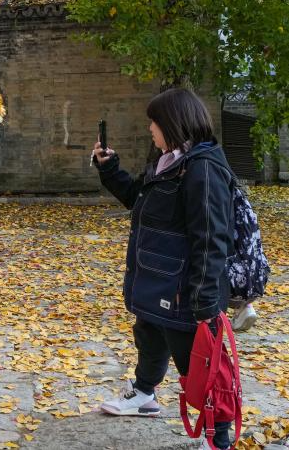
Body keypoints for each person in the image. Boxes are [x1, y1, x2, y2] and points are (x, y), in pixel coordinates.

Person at [93, 88, 235, 450]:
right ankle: (143, 394)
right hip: (156, 280)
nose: (150, 129)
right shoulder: (167, 161)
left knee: (197, 364)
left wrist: (203, 297)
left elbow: (212, 236)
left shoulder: (202, 169)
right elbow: (137, 200)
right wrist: (110, 168)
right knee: (149, 335)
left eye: (153, 122)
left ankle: (218, 436)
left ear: (172, 123)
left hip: (185, 289)